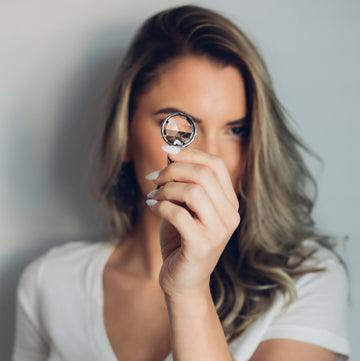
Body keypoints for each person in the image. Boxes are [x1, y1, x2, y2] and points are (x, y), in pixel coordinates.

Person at [12, 5, 350, 361]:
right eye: (178, 127)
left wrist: (189, 292)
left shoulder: (305, 282)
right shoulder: (50, 282)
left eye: (235, 130)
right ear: (125, 135)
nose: (211, 158)